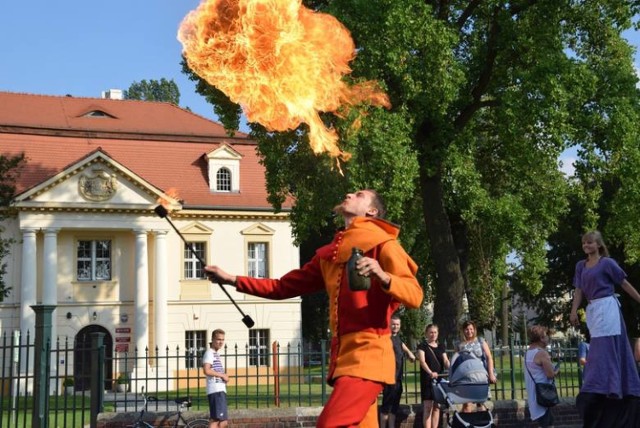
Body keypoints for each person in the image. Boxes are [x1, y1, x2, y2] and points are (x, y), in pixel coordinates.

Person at [205, 189, 424, 428]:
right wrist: (232, 279)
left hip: (369, 357)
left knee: (329, 424)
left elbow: (415, 295)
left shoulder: (385, 245)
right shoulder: (330, 255)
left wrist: (383, 275)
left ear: (371, 211)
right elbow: (281, 287)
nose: (350, 193)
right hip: (343, 359)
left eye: (360, 194)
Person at [570, 231, 640, 427]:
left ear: (598, 245)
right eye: (584, 243)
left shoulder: (607, 263)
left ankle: (616, 386)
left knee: (610, 349)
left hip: (608, 308)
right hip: (594, 309)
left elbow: (624, 283)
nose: (586, 245)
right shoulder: (580, 266)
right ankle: (598, 384)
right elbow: (579, 290)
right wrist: (573, 310)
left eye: (590, 242)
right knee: (598, 351)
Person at [379, 314, 416, 428]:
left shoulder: (397, 337)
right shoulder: (385, 337)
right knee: (386, 407)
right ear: (389, 325)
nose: (395, 326)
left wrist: (409, 352)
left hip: (398, 378)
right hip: (389, 378)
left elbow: (401, 344)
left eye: (397, 324)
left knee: (394, 408)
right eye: (393, 324)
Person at [455, 320, 497, 413]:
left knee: (480, 402)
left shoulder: (480, 341)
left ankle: (481, 424)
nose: (469, 331)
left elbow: (489, 357)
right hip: (466, 377)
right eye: (467, 329)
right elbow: (456, 360)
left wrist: (491, 374)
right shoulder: (459, 344)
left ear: (474, 330)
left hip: (480, 376)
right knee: (466, 403)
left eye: (471, 329)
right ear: (463, 330)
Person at [524, 325, 559, 428]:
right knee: (547, 423)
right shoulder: (542, 353)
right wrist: (556, 371)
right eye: (546, 336)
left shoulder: (528, 353)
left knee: (546, 422)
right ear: (541, 338)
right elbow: (550, 374)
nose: (548, 338)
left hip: (534, 393)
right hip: (544, 393)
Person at [417, 323, 450, 428]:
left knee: (436, 406)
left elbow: (445, 360)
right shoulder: (422, 346)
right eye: (431, 332)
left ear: (438, 333)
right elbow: (422, 361)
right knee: (427, 407)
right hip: (427, 378)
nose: (433, 334)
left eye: (435, 332)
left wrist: (451, 368)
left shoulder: (441, 346)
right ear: (426, 333)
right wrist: (430, 372)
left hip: (439, 378)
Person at [202, 329, 229, 428]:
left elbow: (214, 370)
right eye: (218, 339)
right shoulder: (209, 353)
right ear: (212, 339)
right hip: (215, 391)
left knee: (223, 422)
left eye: (222, 339)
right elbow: (206, 370)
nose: (221, 342)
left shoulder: (215, 354)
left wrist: (224, 377)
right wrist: (222, 375)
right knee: (216, 420)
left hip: (220, 390)